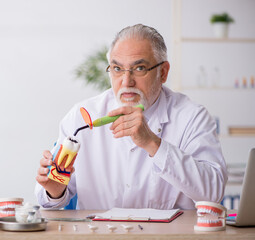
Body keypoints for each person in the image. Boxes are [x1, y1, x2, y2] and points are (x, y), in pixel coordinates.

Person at [35, 24, 228, 210]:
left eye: (139, 68)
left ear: (163, 72)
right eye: (117, 69)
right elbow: (52, 200)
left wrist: (153, 143)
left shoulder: (192, 117)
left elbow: (213, 192)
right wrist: (55, 191)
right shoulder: (82, 116)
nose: (126, 81)